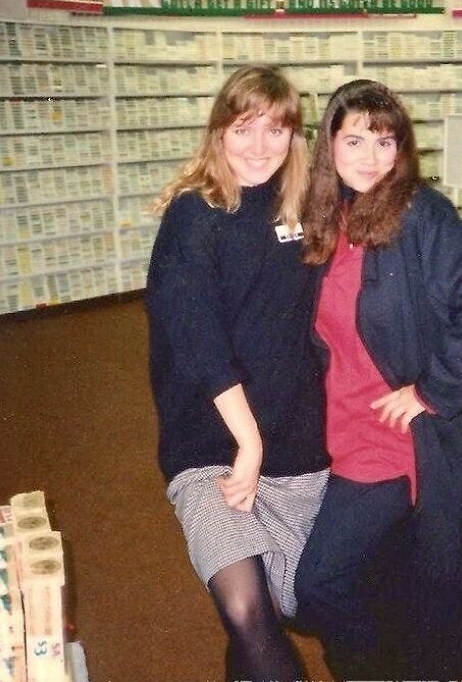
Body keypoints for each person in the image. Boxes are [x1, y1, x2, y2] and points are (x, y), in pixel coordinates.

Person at [294, 79, 462, 681]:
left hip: (391, 442)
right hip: (337, 431)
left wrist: (432, 389)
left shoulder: (419, 214)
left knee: (318, 583)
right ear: (329, 147)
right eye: (354, 141)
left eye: (384, 141)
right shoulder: (331, 218)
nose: (370, 157)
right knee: (383, 581)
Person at [145, 65, 329, 682]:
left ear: (295, 137)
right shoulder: (195, 217)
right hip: (216, 449)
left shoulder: (302, 206)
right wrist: (247, 444)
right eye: (243, 128)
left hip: (298, 445)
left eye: (276, 130)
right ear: (218, 131)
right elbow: (198, 341)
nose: (259, 147)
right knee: (247, 608)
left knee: (266, 612)